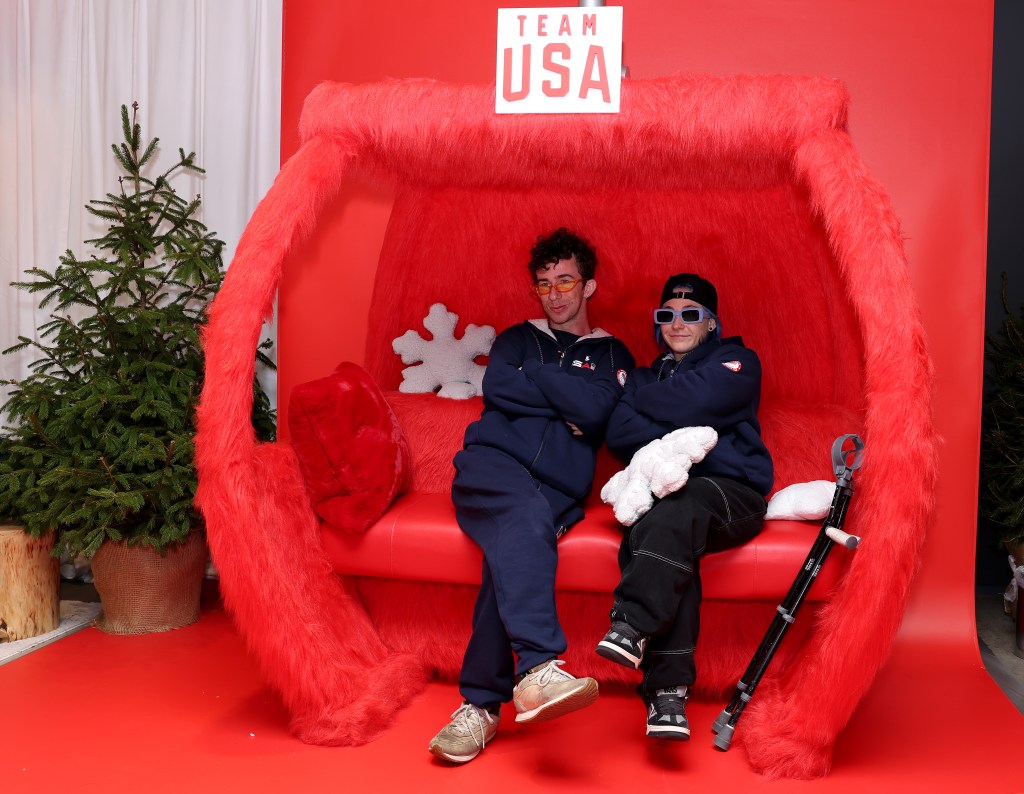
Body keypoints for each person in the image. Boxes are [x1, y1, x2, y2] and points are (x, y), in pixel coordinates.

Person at [428, 228, 635, 764]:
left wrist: (540, 383)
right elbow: (499, 388)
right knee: (521, 515)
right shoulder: (517, 339)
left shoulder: (614, 352)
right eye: (543, 285)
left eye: (566, 281)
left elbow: (595, 415)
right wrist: (565, 397)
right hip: (491, 468)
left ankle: (480, 708)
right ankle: (541, 667)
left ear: (588, 286)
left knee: (511, 554)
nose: (556, 294)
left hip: (558, 492)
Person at [595, 272, 773, 741]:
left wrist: (644, 403)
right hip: (666, 496)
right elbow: (618, 432)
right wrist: (682, 403)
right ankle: (667, 692)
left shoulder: (738, 359)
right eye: (667, 315)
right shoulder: (643, 373)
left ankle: (632, 623)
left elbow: (710, 393)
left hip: (733, 494)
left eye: (690, 314)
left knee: (679, 507)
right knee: (666, 530)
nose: (677, 323)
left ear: (710, 322)